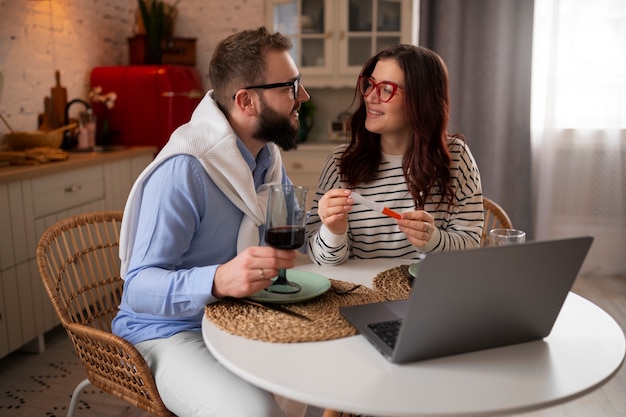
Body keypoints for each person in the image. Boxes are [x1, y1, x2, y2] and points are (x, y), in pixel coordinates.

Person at [112, 27, 318, 417]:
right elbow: (137, 287)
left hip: (236, 316)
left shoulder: (266, 160)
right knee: (255, 412)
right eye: (290, 86)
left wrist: (333, 223)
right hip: (167, 332)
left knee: (314, 372)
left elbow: (294, 234)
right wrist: (219, 279)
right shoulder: (185, 170)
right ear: (246, 101)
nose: (303, 96)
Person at [306, 44, 484, 265]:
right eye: (370, 85)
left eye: (387, 89)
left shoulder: (456, 157)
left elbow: (471, 248)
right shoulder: (340, 162)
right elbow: (319, 259)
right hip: (359, 296)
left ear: (421, 101)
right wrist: (333, 231)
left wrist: (432, 240)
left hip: (427, 294)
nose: (370, 97)